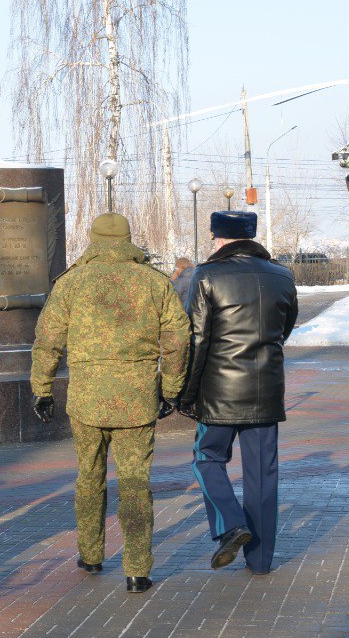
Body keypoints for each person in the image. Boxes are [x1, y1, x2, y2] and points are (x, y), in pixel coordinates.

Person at [30, 213, 190, 593]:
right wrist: (170, 388)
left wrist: (43, 387)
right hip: (136, 399)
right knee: (135, 483)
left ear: (94, 239)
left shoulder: (70, 282)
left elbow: (48, 337)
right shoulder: (155, 282)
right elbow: (178, 339)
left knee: (89, 476)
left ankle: (91, 554)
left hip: (86, 398)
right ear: (129, 238)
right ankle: (137, 569)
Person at [180, 211, 298, 575]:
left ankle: (232, 524)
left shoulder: (207, 275)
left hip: (219, 391)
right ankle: (261, 561)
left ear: (220, 238)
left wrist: (187, 392)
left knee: (207, 457)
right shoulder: (282, 276)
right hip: (267, 389)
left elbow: (197, 340)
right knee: (263, 474)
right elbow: (284, 328)